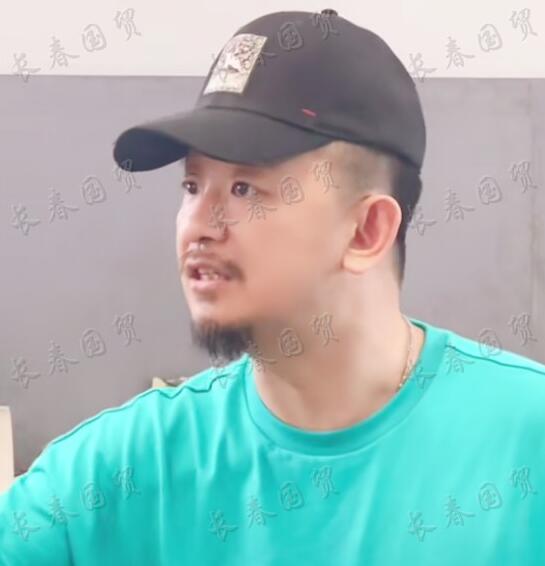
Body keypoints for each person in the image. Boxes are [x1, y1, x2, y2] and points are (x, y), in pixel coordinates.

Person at [2, 8, 545, 566]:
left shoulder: (526, 443)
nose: (198, 226)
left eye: (244, 189)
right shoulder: (116, 474)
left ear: (367, 231)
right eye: (192, 186)